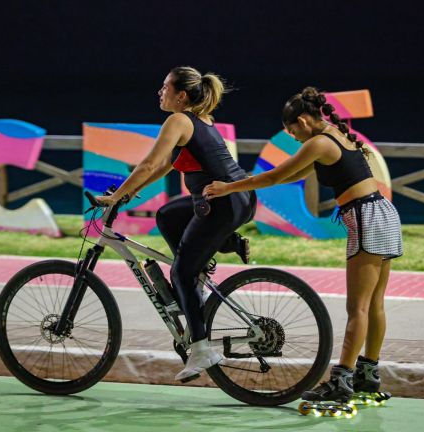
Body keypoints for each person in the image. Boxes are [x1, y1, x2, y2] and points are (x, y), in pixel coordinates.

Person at [203, 87, 403, 403]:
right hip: (383, 213)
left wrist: (229, 187)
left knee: (358, 307)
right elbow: (288, 177)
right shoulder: (336, 135)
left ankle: (342, 381)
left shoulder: (319, 142)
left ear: (302, 121)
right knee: (375, 303)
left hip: (365, 216)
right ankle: (368, 375)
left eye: (293, 131)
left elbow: (274, 176)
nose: (294, 137)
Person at [96, 66, 256, 382]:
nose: (160, 91)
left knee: (181, 272)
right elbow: (166, 166)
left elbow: (149, 163)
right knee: (168, 216)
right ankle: (222, 247)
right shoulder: (199, 121)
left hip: (221, 203)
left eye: (165, 86)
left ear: (180, 95)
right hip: (237, 200)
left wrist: (117, 198)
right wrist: (130, 193)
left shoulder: (178, 120)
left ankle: (201, 348)